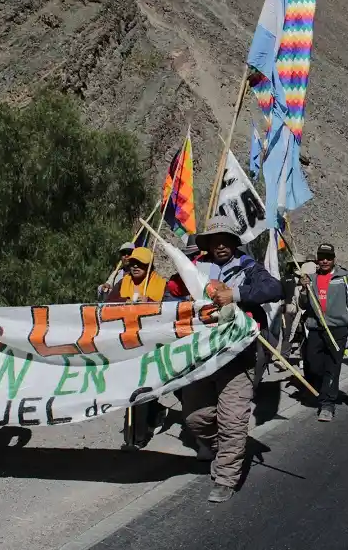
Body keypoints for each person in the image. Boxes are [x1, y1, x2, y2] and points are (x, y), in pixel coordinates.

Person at [180, 216, 283, 503]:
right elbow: (172, 297)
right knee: (194, 418)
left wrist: (235, 295)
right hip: (202, 356)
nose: (221, 245)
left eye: (226, 240)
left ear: (234, 243)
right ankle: (227, 447)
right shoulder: (195, 269)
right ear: (208, 244)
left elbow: (274, 289)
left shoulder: (249, 268)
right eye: (215, 241)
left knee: (233, 419)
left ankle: (226, 477)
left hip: (241, 355)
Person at [107, 246, 170, 450]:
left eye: (140, 264)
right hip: (128, 342)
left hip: (152, 342)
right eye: (132, 263)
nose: (135, 267)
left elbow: (169, 310)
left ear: (149, 266)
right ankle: (133, 435)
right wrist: (121, 303)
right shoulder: (123, 282)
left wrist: (150, 303)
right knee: (132, 388)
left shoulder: (160, 284)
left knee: (145, 387)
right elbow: (107, 306)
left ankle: (138, 437)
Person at [299, 244, 348, 420]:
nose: (324, 260)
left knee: (333, 366)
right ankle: (324, 390)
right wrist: (304, 290)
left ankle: (327, 404)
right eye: (321, 257)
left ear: (334, 259)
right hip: (315, 328)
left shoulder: (343, 278)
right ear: (317, 259)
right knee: (313, 365)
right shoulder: (310, 278)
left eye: (328, 257)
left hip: (337, 329)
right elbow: (303, 304)